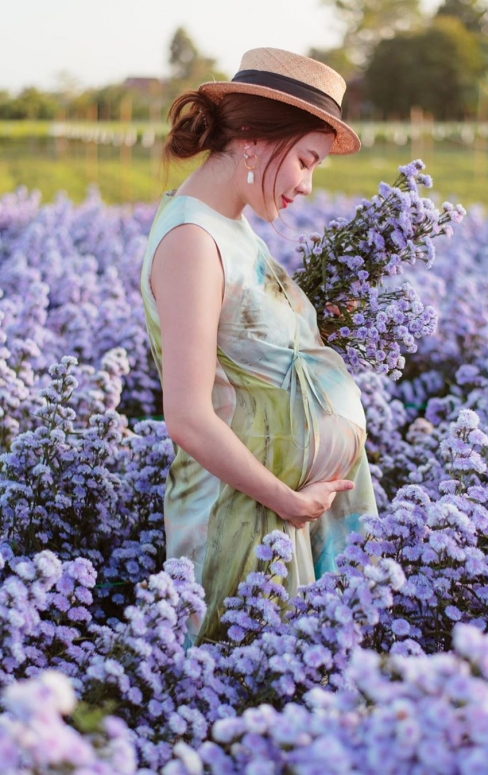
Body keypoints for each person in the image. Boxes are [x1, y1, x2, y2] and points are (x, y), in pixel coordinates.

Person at [140, 47, 377, 645]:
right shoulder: (193, 239)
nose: (307, 183)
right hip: (244, 516)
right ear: (252, 138)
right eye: (305, 159)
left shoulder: (230, 224)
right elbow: (189, 417)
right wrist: (290, 502)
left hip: (282, 510)